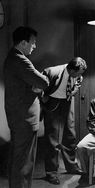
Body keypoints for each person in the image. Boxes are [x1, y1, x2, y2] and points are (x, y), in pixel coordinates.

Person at [3, 26, 49, 188]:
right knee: (24, 162)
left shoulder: (13, 58)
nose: (34, 46)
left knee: (18, 159)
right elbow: (43, 82)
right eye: (33, 42)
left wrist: (33, 86)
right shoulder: (20, 60)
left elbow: (34, 83)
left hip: (19, 117)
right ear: (23, 43)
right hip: (25, 118)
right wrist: (35, 86)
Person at [41, 57, 87, 185]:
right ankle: (51, 172)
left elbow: (77, 83)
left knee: (70, 134)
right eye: (78, 73)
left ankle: (71, 165)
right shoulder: (53, 72)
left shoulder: (77, 75)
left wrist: (74, 91)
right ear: (71, 70)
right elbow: (38, 86)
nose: (80, 76)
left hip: (67, 101)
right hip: (53, 101)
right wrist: (43, 99)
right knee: (52, 138)